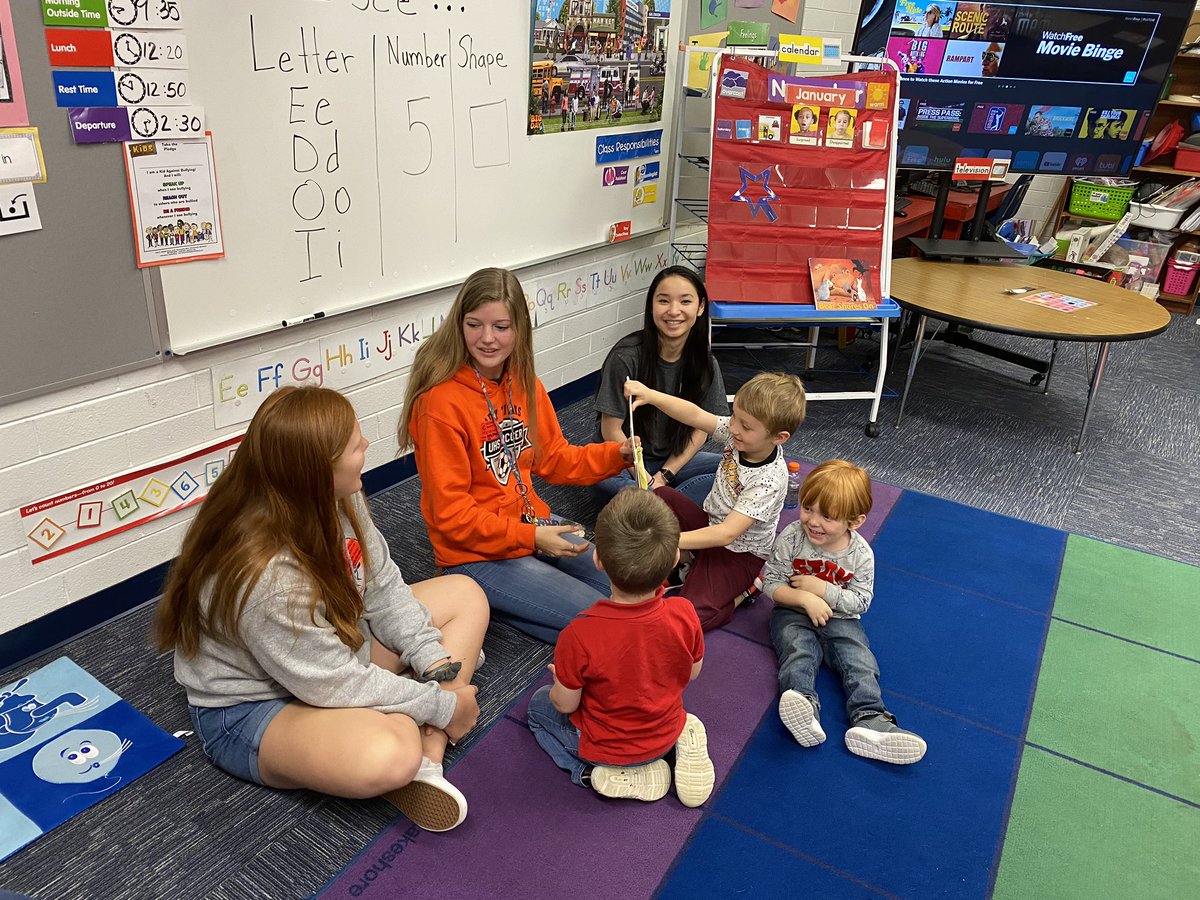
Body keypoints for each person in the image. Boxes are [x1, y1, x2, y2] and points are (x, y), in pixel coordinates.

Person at [155, 386, 489, 832]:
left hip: (328, 651)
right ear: (317, 470)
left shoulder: (338, 497)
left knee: (466, 594)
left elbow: (384, 589)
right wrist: (443, 705)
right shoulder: (267, 576)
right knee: (390, 754)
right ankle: (416, 740)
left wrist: (436, 666)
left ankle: (428, 753)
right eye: (354, 443)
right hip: (255, 706)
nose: (367, 445)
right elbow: (332, 684)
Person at [398, 268, 635, 644]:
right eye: (474, 325)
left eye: (501, 327)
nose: (487, 339)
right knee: (605, 620)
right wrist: (533, 537)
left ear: (520, 328)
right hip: (473, 553)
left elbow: (554, 459)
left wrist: (618, 454)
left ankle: (514, 608)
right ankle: (496, 602)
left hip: (529, 522)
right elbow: (451, 516)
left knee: (631, 588)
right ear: (459, 324)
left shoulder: (523, 381)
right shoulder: (438, 403)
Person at [527, 488, 713, 805]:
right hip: (665, 728)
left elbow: (565, 705)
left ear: (597, 558)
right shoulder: (684, 612)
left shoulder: (579, 634)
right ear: (674, 559)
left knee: (537, 707)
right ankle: (680, 739)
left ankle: (587, 773)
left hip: (609, 748)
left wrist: (562, 680)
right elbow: (692, 673)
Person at [761, 460, 927, 765]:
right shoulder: (792, 536)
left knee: (860, 661)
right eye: (808, 508)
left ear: (855, 521)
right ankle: (804, 708)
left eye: (827, 516)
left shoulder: (861, 555)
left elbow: (862, 602)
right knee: (798, 651)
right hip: (793, 610)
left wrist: (823, 591)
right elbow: (770, 584)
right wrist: (803, 598)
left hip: (842, 619)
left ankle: (871, 721)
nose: (813, 521)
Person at [624, 372, 807, 631]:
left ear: (779, 437)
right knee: (661, 497)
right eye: (734, 418)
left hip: (739, 556)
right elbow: (695, 415)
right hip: (710, 524)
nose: (733, 428)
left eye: (745, 426)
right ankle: (690, 561)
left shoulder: (770, 479)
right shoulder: (738, 434)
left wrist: (667, 542)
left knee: (685, 619)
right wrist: (651, 395)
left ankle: (742, 594)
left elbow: (726, 535)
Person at [594, 266, 728, 504]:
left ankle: (657, 508)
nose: (673, 311)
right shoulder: (626, 356)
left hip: (671, 460)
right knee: (601, 476)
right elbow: (610, 430)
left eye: (685, 301)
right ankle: (671, 506)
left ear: (700, 307)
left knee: (734, 469)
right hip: (625, 462)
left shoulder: (705, 363)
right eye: (663, 301)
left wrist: (666, 475)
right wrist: (644, 478)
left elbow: (703, 427)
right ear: (651, 306)